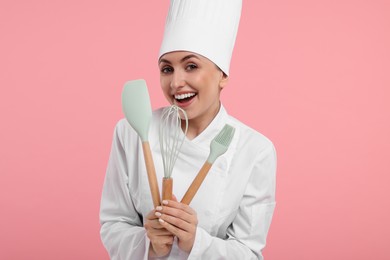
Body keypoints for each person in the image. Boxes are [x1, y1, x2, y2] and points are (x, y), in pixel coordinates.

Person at [100, 0, 277, 259]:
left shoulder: (256, 150)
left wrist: (197, 242)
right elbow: (113, 224)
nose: (176, 82)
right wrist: (149, 244)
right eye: (167, 69)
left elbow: (249, 253)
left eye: (191, 66)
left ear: (222, 75)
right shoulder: (131, 132)